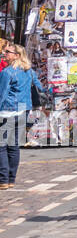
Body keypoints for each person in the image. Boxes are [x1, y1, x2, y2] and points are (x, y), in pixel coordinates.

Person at [0, 46, 38, 188]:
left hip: (7, 111)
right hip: (23, 110)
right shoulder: (28, 71)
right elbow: (37, 87)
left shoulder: (7, 72)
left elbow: (2, 94)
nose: (4, 54)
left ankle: (3, 179)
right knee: (14, 145)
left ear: (16, 55)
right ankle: (11, 179)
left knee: (2, 146)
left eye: (8, 52)